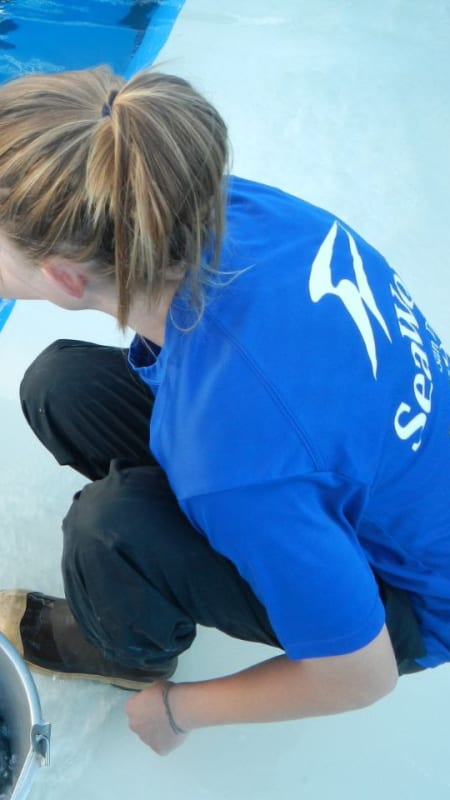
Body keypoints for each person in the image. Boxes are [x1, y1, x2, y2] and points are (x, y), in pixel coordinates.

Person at [0, 65, 448, 757]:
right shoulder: (229, 209)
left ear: (62, 276)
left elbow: (361, 676)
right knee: (62, 383)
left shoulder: (236, 455)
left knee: (109, 527)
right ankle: (186, 549)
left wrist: (180, 712)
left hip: (407, 600)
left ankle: (132, 650)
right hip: (364, 467)